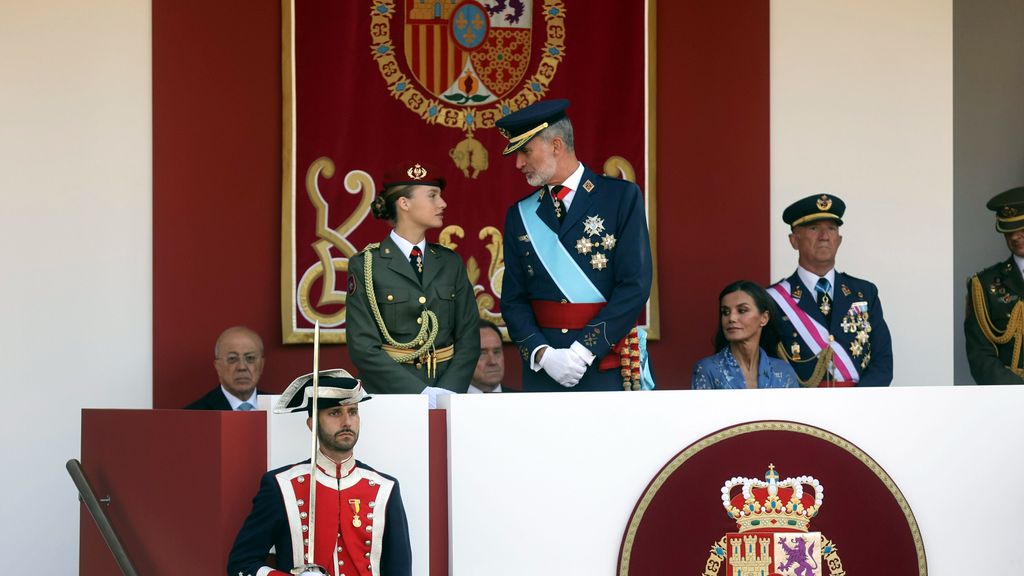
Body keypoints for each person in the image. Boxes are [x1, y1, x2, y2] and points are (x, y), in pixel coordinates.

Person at [496, 99, 653, 392]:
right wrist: (543, 354)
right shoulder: (519, 214)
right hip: (544, 370)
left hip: (605, 362)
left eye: (525, 152)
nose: (518, 163)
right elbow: (513, 300)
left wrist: (582, 351)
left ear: (556, 145)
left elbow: (635, 285)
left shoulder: (620, 198)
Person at [227, 369, 412, 576]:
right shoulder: (281, 485)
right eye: (334, 413)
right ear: (312, 424)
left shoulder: (385, 488)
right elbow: (241, 564)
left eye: (352, 412)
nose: (347, 422)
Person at [345, 161, 480, 405]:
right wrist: (419, 394)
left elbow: (469, 339)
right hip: (390, 399)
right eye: (432, 196)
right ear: (404, 203)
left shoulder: (450, 263)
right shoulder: (366, 264)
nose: (442, 204)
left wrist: (447, 393)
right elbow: (363, 347)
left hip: (449, 396)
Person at [767, 194, 893, 387]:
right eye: (814, 228)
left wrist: (860, 402)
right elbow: (766, 363)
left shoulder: (864, 293)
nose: (824, 236)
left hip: (859, 406)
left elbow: (882, 362)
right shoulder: (773, 299)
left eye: (831, 229)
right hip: (799, 411)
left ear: (839, 240)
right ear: (794, 240)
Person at [965, 186, 1024, 384]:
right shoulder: (983, 285)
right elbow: (980, 355)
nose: (1015, 237)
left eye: (1022, 228)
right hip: (1010, 399)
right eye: (1009, 231)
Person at [692, 281, 799, 389]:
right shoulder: (707, 369)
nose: (731, 318)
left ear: (764, 318)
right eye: (725, 312)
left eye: (742, 310)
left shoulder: (784, 371)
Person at [185, 326, 267, 410]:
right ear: (218, 366)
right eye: (232, 359)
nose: (242, 367)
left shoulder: (278, 408)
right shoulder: (194, 415)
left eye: (250, 358)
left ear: (261, 365)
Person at [469, 320, 507, 393]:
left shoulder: (524, 402)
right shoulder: (447, 402)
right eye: (482, 353)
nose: (493, 361)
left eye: (496, 352)